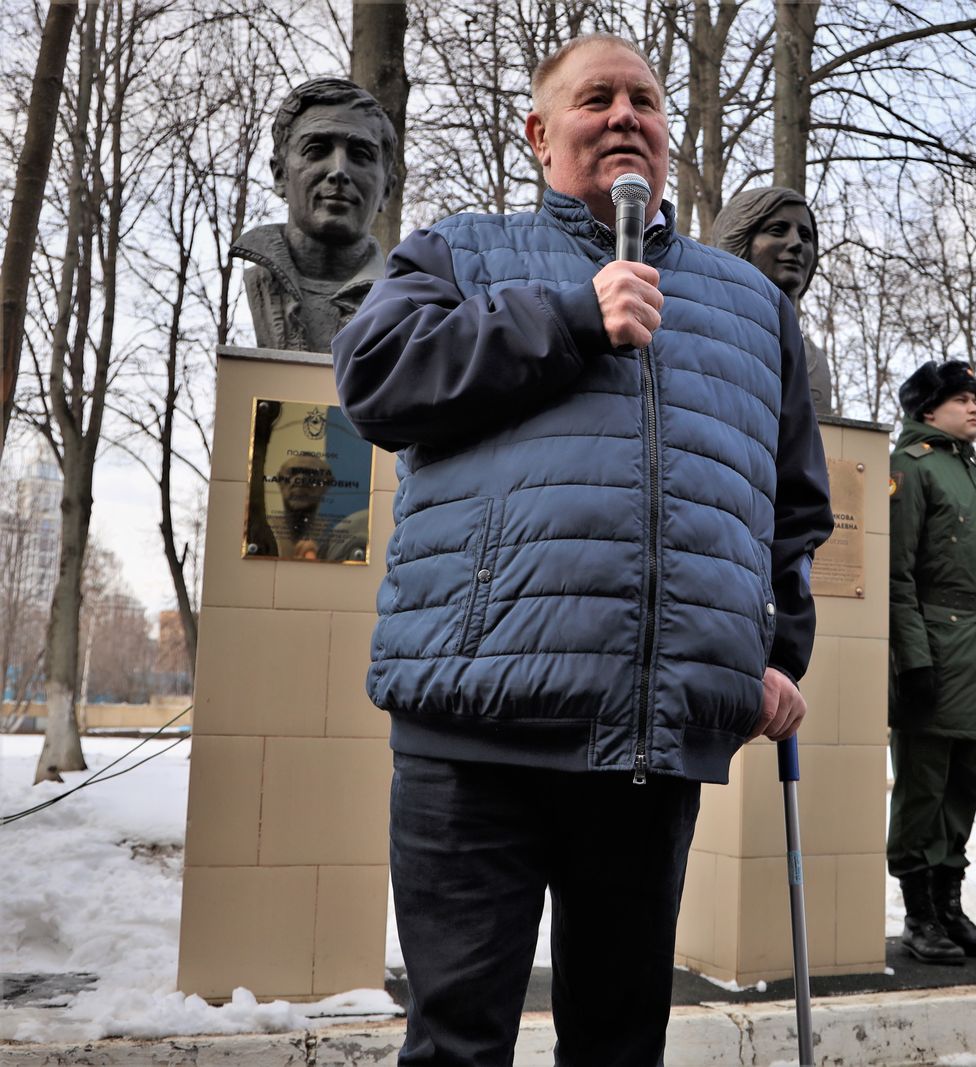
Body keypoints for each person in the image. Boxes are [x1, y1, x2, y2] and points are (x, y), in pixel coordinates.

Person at [330, 32, 832, 1067]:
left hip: (648, 741)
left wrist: (780, 652)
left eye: (643, 100)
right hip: (471, 732)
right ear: (538, 131)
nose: (624, 116)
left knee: (618, 1043)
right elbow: (375, 379)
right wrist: (569, 317)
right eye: (595, 98)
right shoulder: (459, 251)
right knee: (457, 1043)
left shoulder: (751, 307)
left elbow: (792, 507)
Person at [887, 360, 976, 964]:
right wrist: (912, 661)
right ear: (928, 409)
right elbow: (897, 577)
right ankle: (919, 916)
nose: (974, 407)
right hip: (937, 656)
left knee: (963, 790)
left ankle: (949, 910)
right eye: (960, 399)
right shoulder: (911, 468)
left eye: (975, 398)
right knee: (923, 790)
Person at [232, 77, 397, 351]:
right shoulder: (259, 283)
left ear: (387, 189)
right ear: (280, 175)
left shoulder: (407, 304)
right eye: (316, 150)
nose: (339, 171)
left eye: (360, 154)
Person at [710, 186, 835, 415]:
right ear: (738, 240)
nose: (796, 243)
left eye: (805, 236)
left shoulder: (815, 361)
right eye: (778, 230)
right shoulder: (706, 340)